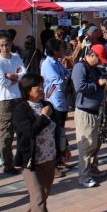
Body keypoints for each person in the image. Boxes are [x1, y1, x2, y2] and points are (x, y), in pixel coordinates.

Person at [13, 74, 63, 212]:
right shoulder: (20, 109)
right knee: (39, 197)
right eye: (37, 87)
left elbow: (57, 129)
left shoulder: (47, 105)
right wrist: (42, 117)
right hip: (30, 161)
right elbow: (29, 131)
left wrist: (64, 148)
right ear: (28, 91)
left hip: (49, 158)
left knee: (45, 192)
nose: (41, 89)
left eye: (42, 86)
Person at [72, 45, 107, 188]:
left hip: (95, 111)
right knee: (86, 144)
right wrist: (97, 84)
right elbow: (80, 86)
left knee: (95, 143)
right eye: (99, 59)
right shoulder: (80, 67)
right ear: (92, 55)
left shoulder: (94, 68)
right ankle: (84, 176)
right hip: (85, 111)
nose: (100, 62)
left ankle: (92, 168)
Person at [0, 33, 25, 175]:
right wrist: (14, 78)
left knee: (21, 130)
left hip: (17, 97)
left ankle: (20, 159)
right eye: (2, 45)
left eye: (7, 44)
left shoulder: (16, 57)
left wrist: (15, 76)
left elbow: (24, 72)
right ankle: (7, 163)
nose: (5, 47)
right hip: (3, 100)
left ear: (11, 44)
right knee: (7, 134)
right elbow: (1, 80)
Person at [41, 38, 70, 175]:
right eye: (61, 48)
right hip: (54, 102)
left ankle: (59, 160)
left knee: (60, 133)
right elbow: (59, 81)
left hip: (62, 101)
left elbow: (66, 75)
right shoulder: (48, 64)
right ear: (55, 50)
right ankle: (54, 165)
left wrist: (65, 78)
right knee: (54, 133)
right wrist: (65, 79)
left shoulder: (57, 63)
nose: (64, 51)